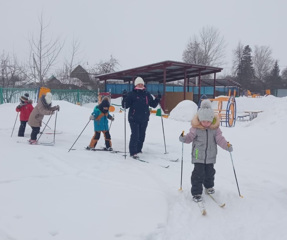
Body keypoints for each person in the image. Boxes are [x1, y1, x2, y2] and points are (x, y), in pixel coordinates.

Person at [179, 99, 233, 203]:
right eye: (204, 121)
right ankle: (196, 192)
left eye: (208, 121)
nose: (206, 123)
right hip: (198, 155)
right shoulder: (195, 128)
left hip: (210, 156)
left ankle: (209, 187)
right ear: (199, 120)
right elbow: (190, 137)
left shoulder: (215, 129)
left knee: (210, 173)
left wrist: (226, 146)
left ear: (212, 120)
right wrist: (184, 138)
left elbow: (220, 139)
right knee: (198, 174)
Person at [121, 76, 161, 159]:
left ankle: (138, 149)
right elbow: (125, 105)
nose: (140, 85)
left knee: (142, 135)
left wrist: (158, 99)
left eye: (141, 84)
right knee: (135, 135)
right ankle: (133, 151)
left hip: (144, 118)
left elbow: (153, 104)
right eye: (139, 84)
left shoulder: (147, 94)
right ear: (136, 85)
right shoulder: (132, 94)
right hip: (134, 118)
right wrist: (124, 97)